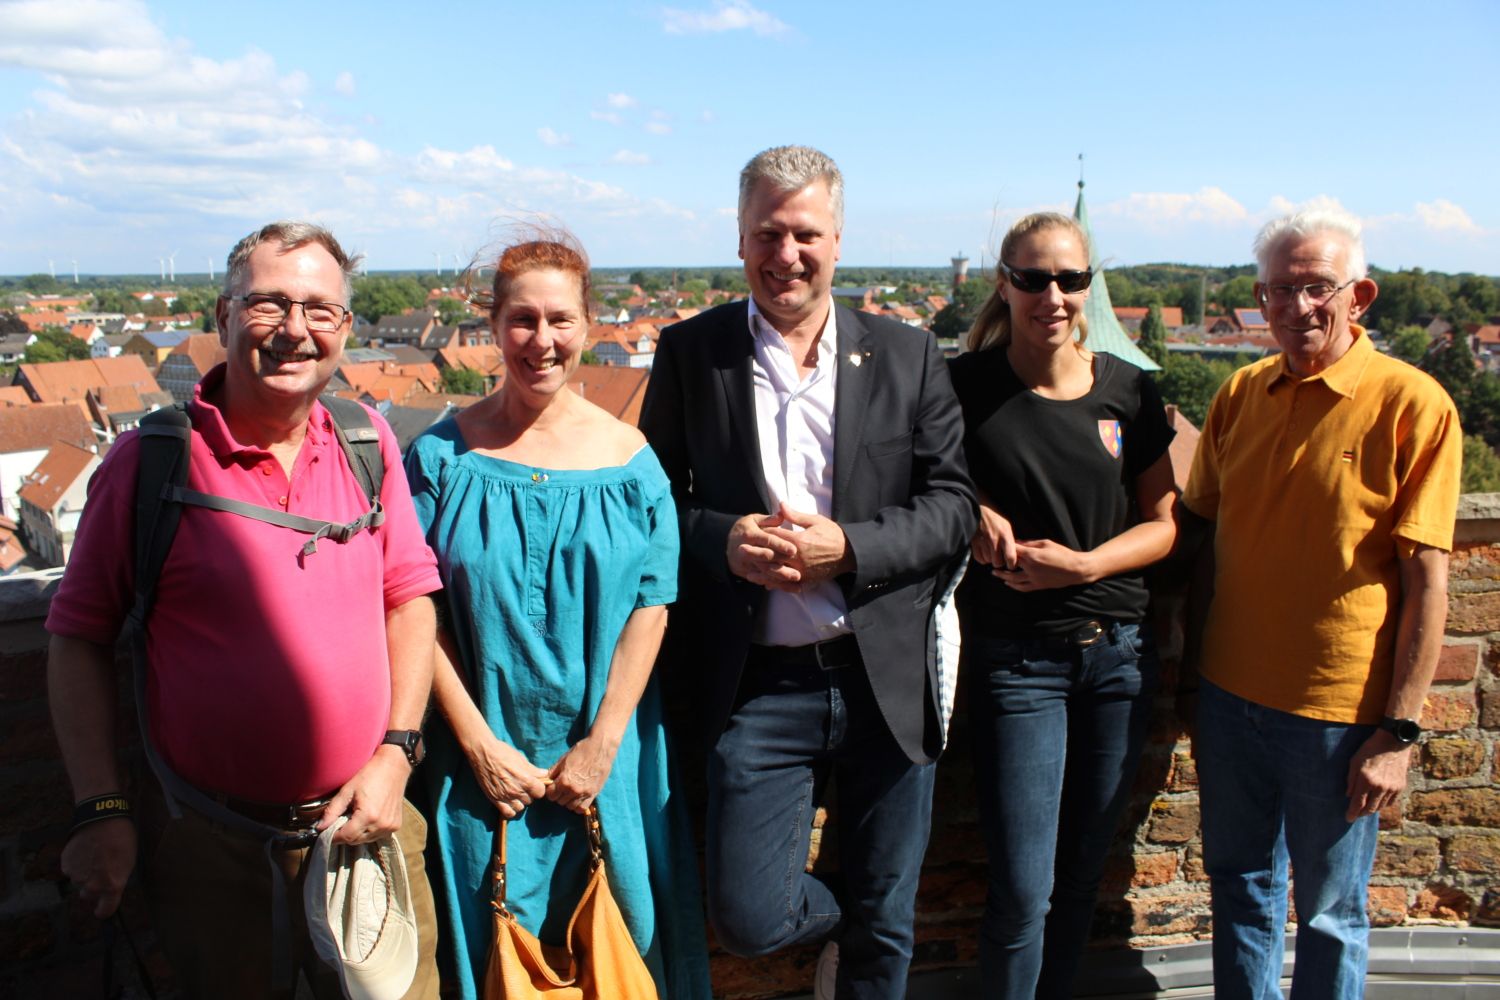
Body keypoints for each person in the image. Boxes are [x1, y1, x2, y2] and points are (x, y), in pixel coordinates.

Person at [47, 221, 442, 999]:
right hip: (211, 844)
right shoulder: (151, 464)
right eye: (269, 304)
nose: (295, 329)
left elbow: (409, 599)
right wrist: (101, 808)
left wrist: (397, 754)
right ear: (224, 318)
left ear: (345, 328)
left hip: (366, 825)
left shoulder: (367, 442)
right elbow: (77, 639)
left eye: (320, 310)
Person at [639, 145, 976, 1000]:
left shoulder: (907, 353)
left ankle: (869, 932)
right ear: (739, 237)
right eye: (766, 233)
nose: (784, 254)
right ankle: (851, 922)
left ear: (837, 239)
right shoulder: (691, 351)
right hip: (760, 684)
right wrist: (720, 538)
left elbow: (953, 507)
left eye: (804, 234)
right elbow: (654, 502)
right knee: (750, 918)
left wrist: (849, 549)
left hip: (884, 677)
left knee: (889, 923)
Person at [404, 231, 711, 1000]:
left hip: (606, 762)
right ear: (494, 324)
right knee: (490, 961)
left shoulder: (632, 463)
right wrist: (479, 746)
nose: (541, 340)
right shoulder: (440, 461)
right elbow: (412, 611)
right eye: (523, 319)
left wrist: (603, 745)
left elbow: (652, 607)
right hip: (482, 771)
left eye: (560, 320)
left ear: (587, 324)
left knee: (617, 952)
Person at [1181, 209, 1461, 999]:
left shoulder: (1411, 403)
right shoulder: (1241, 393)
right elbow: (1198, 536)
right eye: (1279, 289)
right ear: (1259, 300)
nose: (1296, 306)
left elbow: (1428, 584)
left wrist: (1398, 733)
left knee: (1331, 913)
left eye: (1317, 288)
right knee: (1240, 888)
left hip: (1338, 713)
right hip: (1229, 696)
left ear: (1359, 296)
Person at [946, 212, 1177, 998]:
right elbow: (915, 480)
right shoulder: (965, 386)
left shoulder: (1128, 390)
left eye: (1071, 279)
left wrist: (1082, 566)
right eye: (1034, 278)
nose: (1054, 295)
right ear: (1005, 284)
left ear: (1088, 286)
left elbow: (1164, 524)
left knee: (1081, 875)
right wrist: (969, 506)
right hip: (1018, 661)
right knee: (1022, 889)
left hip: (1118, 656)